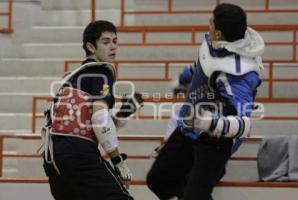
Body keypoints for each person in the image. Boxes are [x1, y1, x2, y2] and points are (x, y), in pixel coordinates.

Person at [147, 3, 264, 200]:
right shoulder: (217, 42)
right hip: (190, 124)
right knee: (159, 180)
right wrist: (183, 79)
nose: (207, 25)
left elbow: (244, 124)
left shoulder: (240, 74)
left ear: (218, 33)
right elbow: (203, 63)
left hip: (215, 140)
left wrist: (211, 123)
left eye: (211, 22)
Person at [42, 20, 143, 200]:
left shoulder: (71, 77)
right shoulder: (101, 71)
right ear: (90, 46)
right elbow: (99, 119)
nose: (113, 47)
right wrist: (118, 161)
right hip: (78, 154)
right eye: (105, 42)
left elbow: (84, 122)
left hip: (52, 157)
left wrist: (123, 112)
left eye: (115, 41)